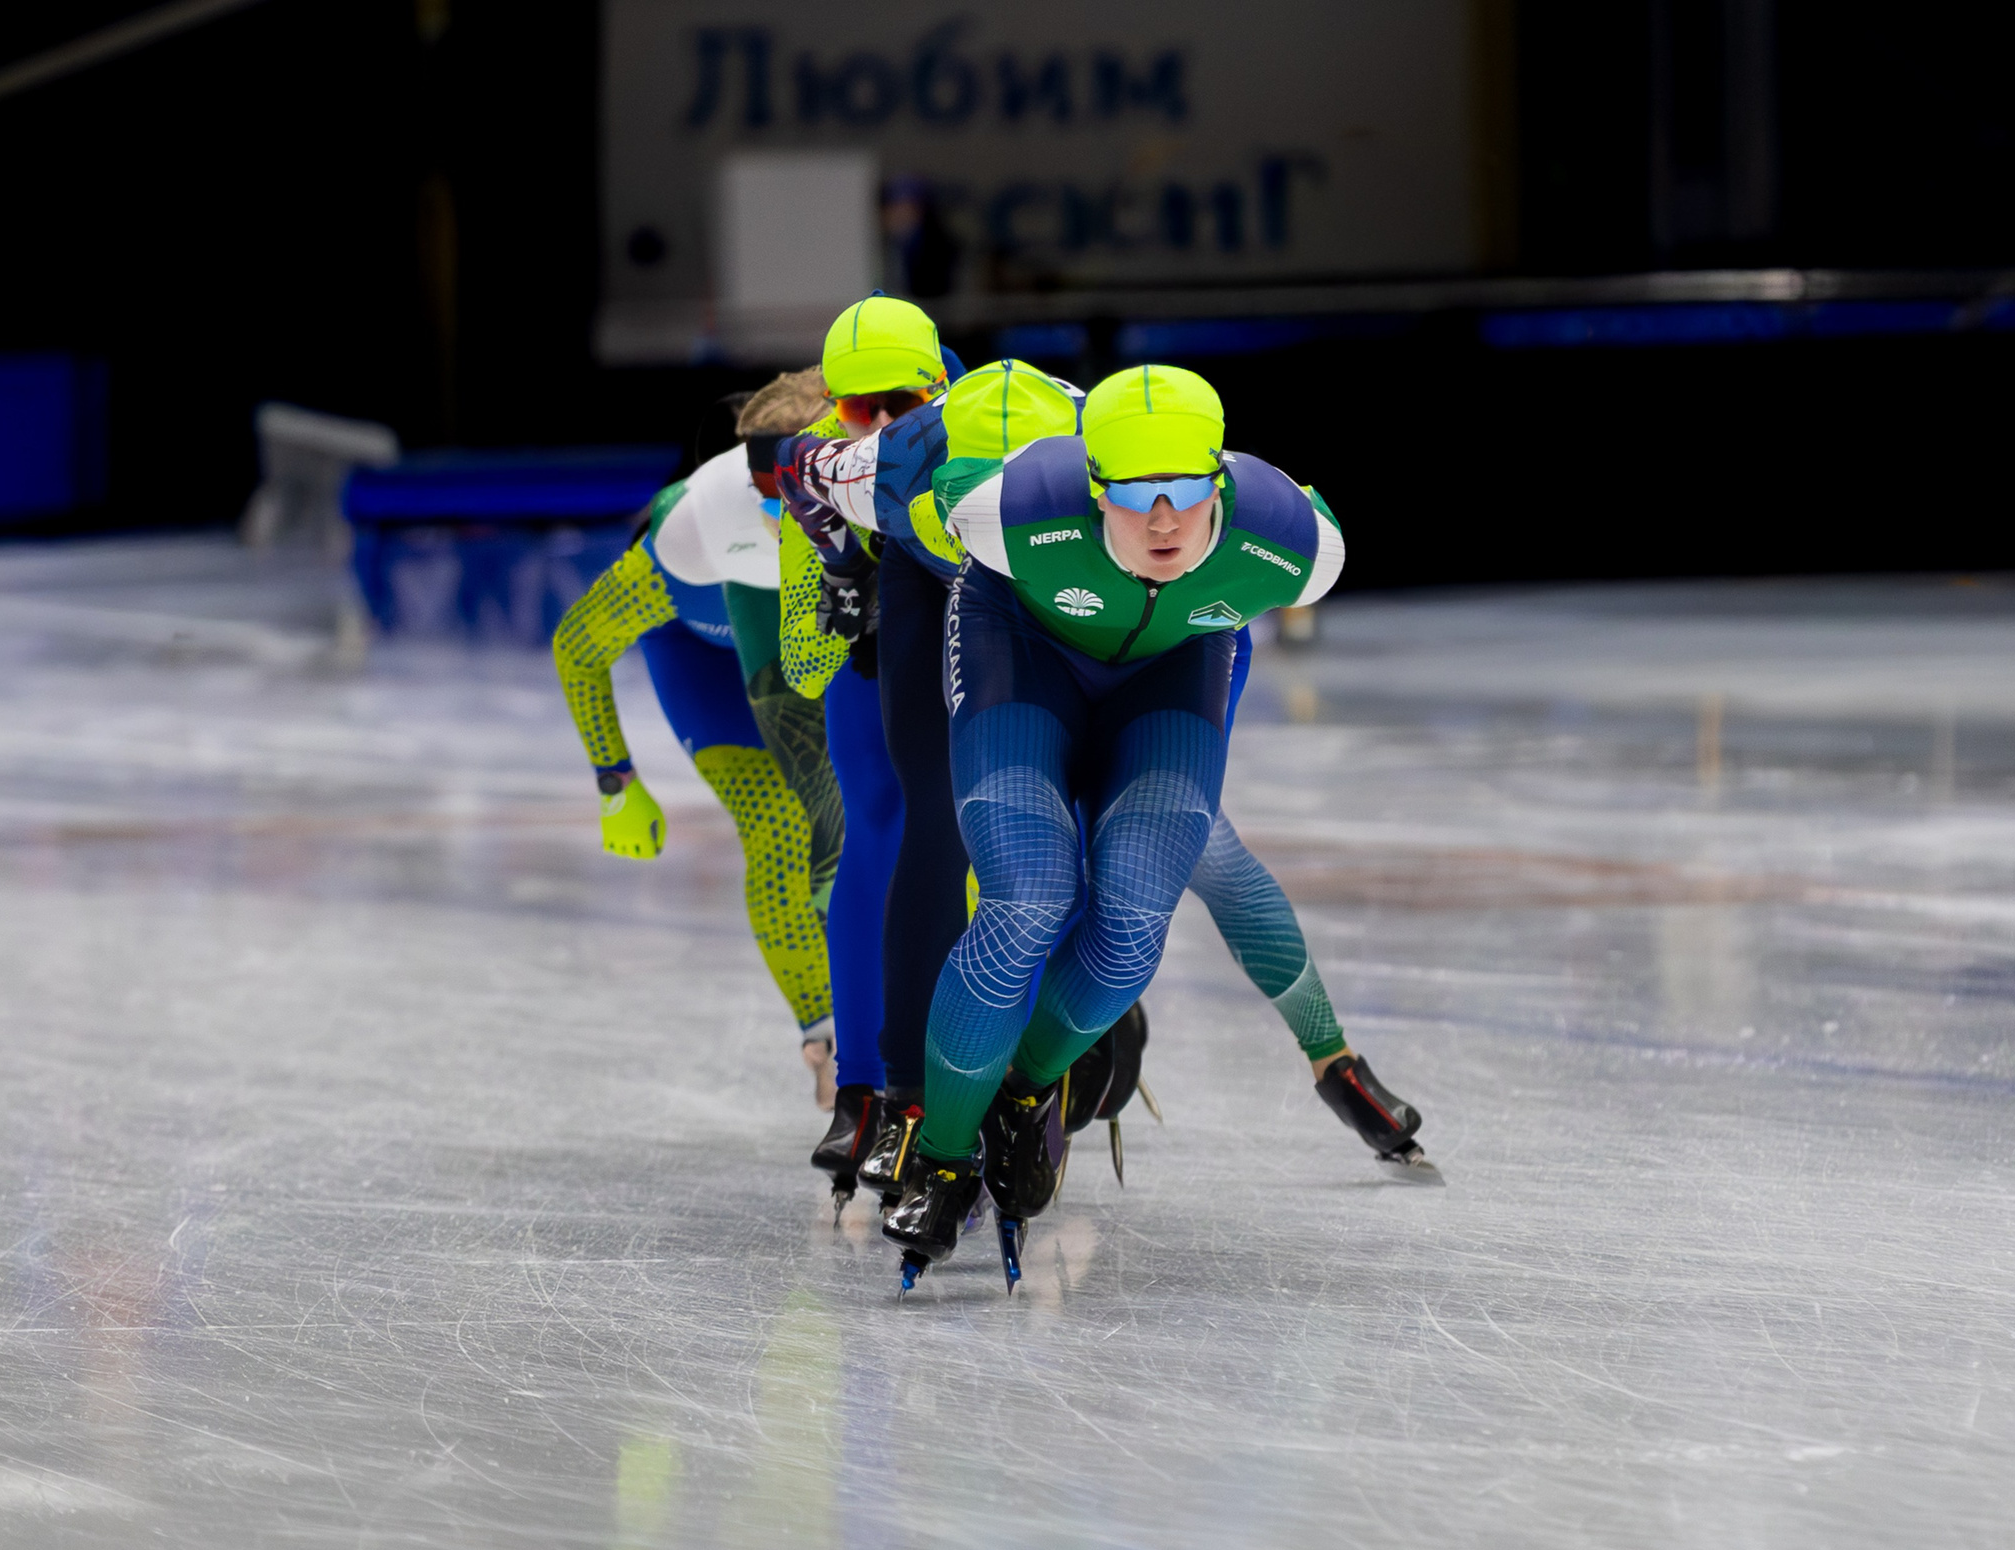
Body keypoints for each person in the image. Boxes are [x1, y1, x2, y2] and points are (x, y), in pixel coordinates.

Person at [777, 354, 1433, 1234]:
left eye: (1181, 490)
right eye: (1131, 495)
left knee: (1157, 885)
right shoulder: (948, 480)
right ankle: (924, 1128)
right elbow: (794, 466)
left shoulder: (1291, 541)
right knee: (1002, 874)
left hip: (1169, 659)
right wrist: (836, 565)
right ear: (1089, 488)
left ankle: (1315, 1057)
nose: (1160, 518)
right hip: (1007, 633)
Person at [549, 371, 841, 1105]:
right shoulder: (683, 543)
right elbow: (579, 646)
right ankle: (828, 1033)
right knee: (779, 829)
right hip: (709, 671)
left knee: (868, 820)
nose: (783, 515)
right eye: (766, 496)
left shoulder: (862, 502)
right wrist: (615, 781)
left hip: (804, 654)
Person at [764, 295, 968, 1207]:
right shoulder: (818, 461)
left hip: (981, 625)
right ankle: (860, 1089)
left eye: (899, 403)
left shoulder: (993, 424)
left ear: (937, 383)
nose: (880, 428)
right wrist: (844, 581)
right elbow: (804, 668)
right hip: (879, 650)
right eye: (857, 411)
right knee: (879, 827)